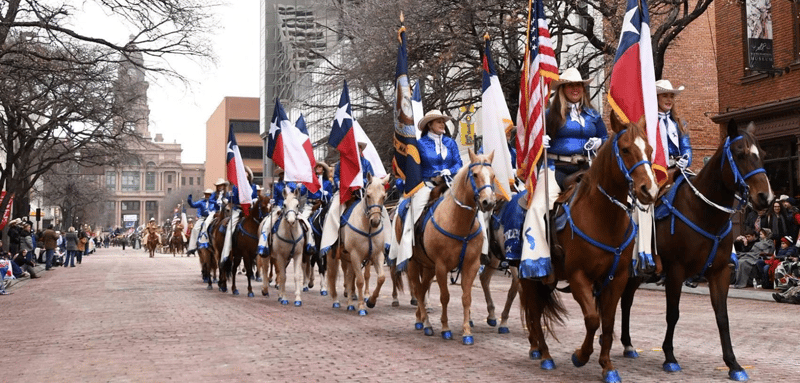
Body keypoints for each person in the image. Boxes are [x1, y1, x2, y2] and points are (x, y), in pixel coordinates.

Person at [519, 67, 607, 278]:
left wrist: (599, 142)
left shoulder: (593, 115)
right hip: (555, 168)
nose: (575, 89)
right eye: (570, 85)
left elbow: (606, 138)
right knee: (538, 207)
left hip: (586, 168)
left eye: (578, 85)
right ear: (563, 89)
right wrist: (541, 142)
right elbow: (531, 140)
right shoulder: (548, 114)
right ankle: (537, 261)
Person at [394, 110, 463, 265]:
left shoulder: (450, 143)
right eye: (438, 121)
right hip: (428, 184)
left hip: (450, 182)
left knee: (472, 205)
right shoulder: (420, 144)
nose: (442, 124)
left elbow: (459, 163)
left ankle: (481, 249)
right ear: (430, 125)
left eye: (443, 121)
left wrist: (450, 170)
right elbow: (414, 167)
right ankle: (407, 248)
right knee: (414, 211)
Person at [220, 167, 258, 263]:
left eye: (246, 175)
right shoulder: (236, 186)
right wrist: (229, 198)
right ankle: (226, 251)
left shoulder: (253, 187)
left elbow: (254, 197)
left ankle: (261, 249)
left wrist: (254, 201)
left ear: (249, 176)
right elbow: (232, 199)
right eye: (243, 175)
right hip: (238, 210)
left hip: (250, 211)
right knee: (230, 228)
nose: (245, 177)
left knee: (261, 225)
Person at [655, 79, 692, 170]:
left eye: (671, 96)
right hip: (655, 168)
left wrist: (686, 160)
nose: (669, 100)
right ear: (656, 98)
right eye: (665, 96)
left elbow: (686, 147)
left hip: (677, 168)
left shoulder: (679, 123)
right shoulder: (649, 123)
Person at [186, 189, 219, 254]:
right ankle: (192, 248)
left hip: (213, 217)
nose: (207, 196)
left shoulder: (214, 202)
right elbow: (193, 205)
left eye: (209, 194)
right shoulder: (201, 202)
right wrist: (189, 200)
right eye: (206, 194)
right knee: (195, 229)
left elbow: (218, 208)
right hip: (203, 217)